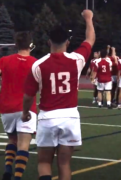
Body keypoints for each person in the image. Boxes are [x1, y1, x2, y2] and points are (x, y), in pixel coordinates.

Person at [22, 10, 95, 180]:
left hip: (47, 117)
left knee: (44, 162)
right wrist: (89, 19)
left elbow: (28, 96)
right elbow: (90, 40)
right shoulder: (76, 60)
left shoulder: (38, 65)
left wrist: (26, 113)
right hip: (69, 117)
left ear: (49, 42)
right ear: (68, 42)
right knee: (64, 164)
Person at [0, 32, 37, 180]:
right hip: (26, 107)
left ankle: (8, 168)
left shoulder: (4, 60)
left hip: (6, 106)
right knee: (23, 145)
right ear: (30, 45)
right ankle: (17, 176)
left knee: (12, 140)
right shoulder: (35, 62)